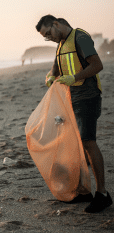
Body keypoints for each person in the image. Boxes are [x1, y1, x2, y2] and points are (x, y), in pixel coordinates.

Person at [36, 15, 111, 213]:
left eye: (48, 33)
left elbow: (97, 66)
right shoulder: (61, 44)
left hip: (88, 96)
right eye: (45, 37)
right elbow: (56, 67)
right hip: (71, 99)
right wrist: (50, 76)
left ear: (56, 24)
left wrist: (74, 77)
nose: (48, 38)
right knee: (76, 144)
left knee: (87, 141)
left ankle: (102, 194)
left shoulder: (80, 38)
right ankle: (84, 191)